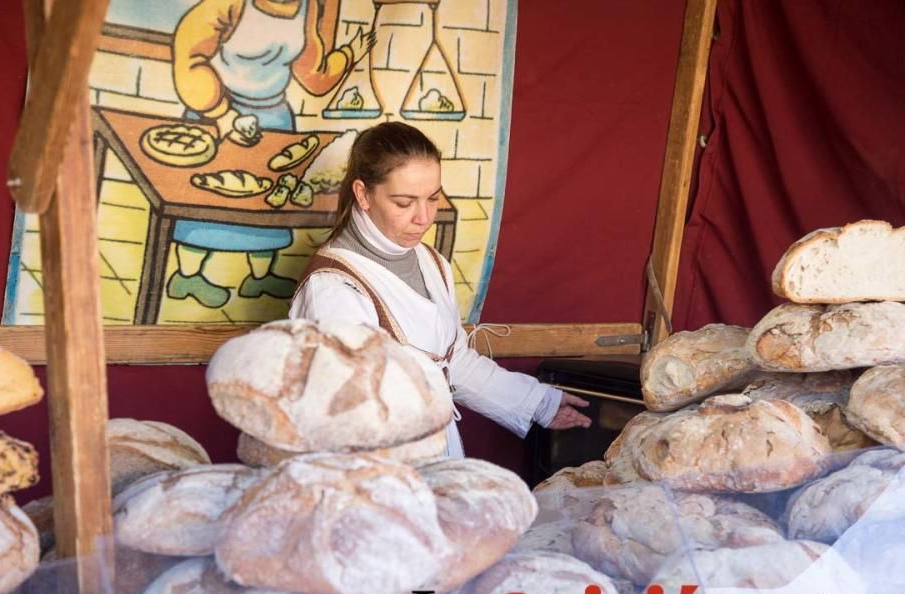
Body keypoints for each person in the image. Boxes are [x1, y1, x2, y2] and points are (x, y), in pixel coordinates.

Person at [289, 122, 591, 457]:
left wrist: (539, 403)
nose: (424, 217)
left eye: (433, 198)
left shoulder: (431, 262)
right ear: (363, 194)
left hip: (433, 461)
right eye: (404, 202)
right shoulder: (333, 288)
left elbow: (453, 363)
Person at [168, 0, 376, 308]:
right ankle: (187, 275)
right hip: (220, 113)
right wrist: (221, 114)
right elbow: (189, 58)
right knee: (213, 198)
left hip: (274, 116)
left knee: (270, 201)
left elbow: (312, 73)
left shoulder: (307, 9)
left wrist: (348, 55)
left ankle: (260, 277)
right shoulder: (228, 5)